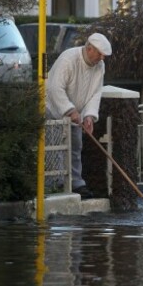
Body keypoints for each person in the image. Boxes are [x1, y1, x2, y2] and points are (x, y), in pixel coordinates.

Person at [46, 32, 112, 199]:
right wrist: (69, 110)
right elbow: (55, 88)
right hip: (52, 108)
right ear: (89, 48)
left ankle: (76, 182)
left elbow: (95, 93)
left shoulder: (99, 66)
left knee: (76, 146)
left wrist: (89, 115)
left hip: (77, 112)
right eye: (100, 54)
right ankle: (57, 182)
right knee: (55, 147)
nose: (102, 58)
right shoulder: (68, 59)